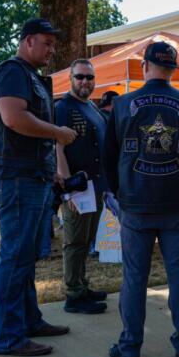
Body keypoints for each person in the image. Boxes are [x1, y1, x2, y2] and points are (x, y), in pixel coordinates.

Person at [103, 41, 179, 357]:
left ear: (144, 66)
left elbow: (109, 156)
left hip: (135, 203)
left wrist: (117, 192)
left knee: (134, 277)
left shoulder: (122, 105)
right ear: (172, 70)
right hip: (177, 202)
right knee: (178, 274)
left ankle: (130, 346)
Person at [0, 18, 76, 357]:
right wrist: (57, 133)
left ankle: (29, 321)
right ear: (28, 41)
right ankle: (8, 337)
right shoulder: (12, 72)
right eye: (46, 43)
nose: (51, 50)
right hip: (15, 177)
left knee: (26, 256)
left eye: (53, 44)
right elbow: (14, 118)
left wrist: (52, 169)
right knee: (16, 258)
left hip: (31, 175)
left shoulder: (28, 76)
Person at [55, 59, 109, 314]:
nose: (85, 82)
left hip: (95, 186)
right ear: (71, 78)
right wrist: (67, 189)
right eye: (80, 77)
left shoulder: (93, 109)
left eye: (89, 77)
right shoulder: (63, 108)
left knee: (86, 240)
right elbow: (57, 147)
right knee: (75, 241)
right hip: (77, 188)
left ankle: (82, 285)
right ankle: (74, 296)